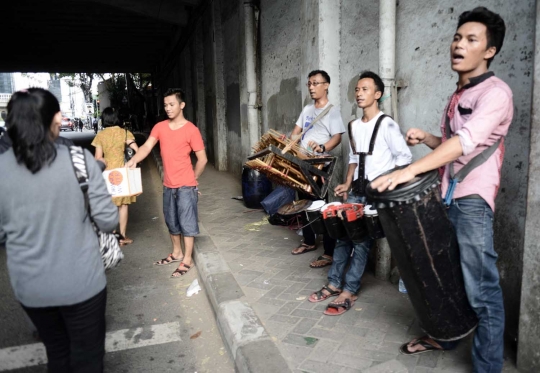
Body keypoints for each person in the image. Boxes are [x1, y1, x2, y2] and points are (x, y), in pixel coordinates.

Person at [371, 7, 511, 372]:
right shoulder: (460, 92)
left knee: (482, 288)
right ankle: (445, 335)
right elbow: (452, 145)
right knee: (444, 272)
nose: (458, 45)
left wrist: (408, 171)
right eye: (456, 37)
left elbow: (467, 142)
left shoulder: (496, 94)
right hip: (448, 195)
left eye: (471, 39)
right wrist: (429, 138)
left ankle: (487, 366)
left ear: (490, 50)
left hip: (472, 202)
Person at [0, 88, 118, 372]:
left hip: (31, 288)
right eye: (59, 113)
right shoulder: (79, 161)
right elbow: (108, 221)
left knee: (57, 353)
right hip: (82, 283)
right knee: (88, 359)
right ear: (53, 119)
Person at [309, 71, 411, 314]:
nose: (359, 93)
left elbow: (404, 158)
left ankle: (350, 289)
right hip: (356, 190)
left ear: (377, 94)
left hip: (376, 194)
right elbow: (354, 158)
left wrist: (386, 183)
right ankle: (334, 283)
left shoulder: (387, 124)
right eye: (357, 89)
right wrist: (346, 183)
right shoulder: (354, 125)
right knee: (342, 236)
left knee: (361, 242)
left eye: (365, 89)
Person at [126, 88, 207, 277]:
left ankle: (187, 259)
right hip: (168, 184)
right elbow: (146, 146)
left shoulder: (191, 130)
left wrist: (193, 180)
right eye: (165, 105)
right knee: (171, 221)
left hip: (186, 185)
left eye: (171, 105)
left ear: (181, 105)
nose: (168, 108)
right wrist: (134, 160)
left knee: (187, 222)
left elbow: (202, 159)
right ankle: (177, 252)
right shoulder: (160, 127)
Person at [290, 70, 345, 269]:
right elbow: (296, 132)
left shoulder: (332, 111)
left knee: (322, 206)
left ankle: (329, 252)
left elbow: (337, 137)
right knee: (304, 202)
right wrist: (290, 144)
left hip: (319, 165)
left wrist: (323, 148)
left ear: (326, 85)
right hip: (303, 163)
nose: (312, 87)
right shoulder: (306, 109)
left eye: (315, 83)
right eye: (309, 84)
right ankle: (309, 241)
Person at [92, 107, 139, 245]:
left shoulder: (100, 136)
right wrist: (132, 162)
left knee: (110, 205)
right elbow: (136, 150)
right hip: (123, 173)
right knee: (123, 205)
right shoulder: (124, 133)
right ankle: (122, 237)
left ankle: (113, 237)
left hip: (107, 174)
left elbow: (98, 158)